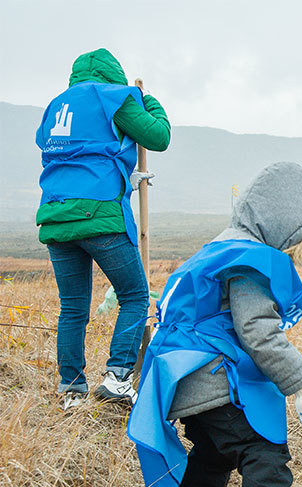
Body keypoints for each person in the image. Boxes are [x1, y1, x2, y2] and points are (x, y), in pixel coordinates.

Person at [127, 162, 302, 487]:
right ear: (287, 223)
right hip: (212, 377)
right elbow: (259, 334)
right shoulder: (250, 261)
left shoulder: (220, 247)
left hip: (181, 379)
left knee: (213, 454)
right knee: (263, 451)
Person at [35, 48, 171, 410]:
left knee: (73, 307)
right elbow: (158, 136)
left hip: (55, 214)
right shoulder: (115, 97)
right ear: (114, 75)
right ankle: (118, 377)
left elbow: (79, 154)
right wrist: (147, 100)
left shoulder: (56, 105)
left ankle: (71, 390)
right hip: (99, 213)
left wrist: (126, 177)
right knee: (135, 295)